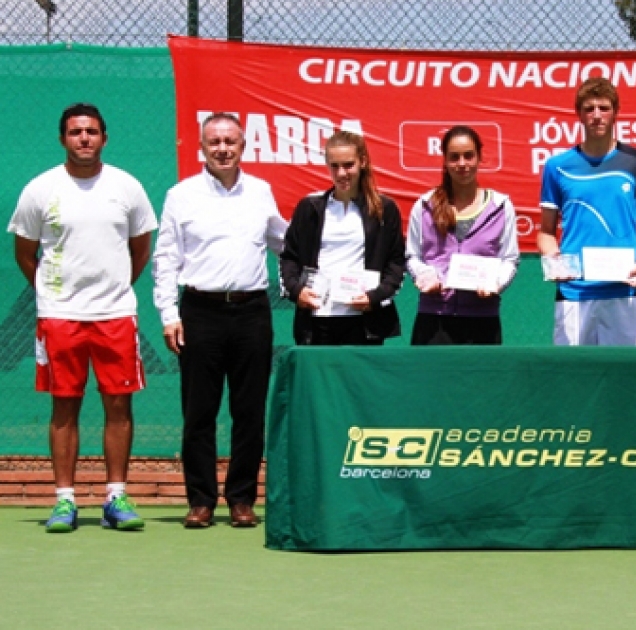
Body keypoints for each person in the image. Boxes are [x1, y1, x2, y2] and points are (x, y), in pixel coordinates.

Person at [8, 103, 157, 533]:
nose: (84, 138)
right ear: (63, 139)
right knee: (64, 407)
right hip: (59, 317)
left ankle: (115, 497)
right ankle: (65, 501)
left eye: (92, 131)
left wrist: (114, 289)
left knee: (118, 405)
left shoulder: (127, 187)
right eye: (76, 132)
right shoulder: (40, 189)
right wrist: (53, 294)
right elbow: (24, 252)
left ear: (104, 138)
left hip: (115, 316)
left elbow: (141, 247)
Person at [152, 112, 287, 528]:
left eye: (230, 141)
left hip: (251, 313)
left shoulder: (261, 192)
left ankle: (242, 500)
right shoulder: (181, 195)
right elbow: (166, 258)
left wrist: (309, 278)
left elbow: (284, 244)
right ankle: (201, 501)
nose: (223, 149)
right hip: (200, 313)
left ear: (243, 146)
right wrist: (169, 314)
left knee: (249, 411)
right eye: (214, 142)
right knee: (199, 412)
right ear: (202, 148)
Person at [537, 76, 636, 346]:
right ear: (578, 114)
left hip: (626, 291)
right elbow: (546, 232)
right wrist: (554, 259)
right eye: (589, 109)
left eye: (604, 108)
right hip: (574, 294)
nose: (596, 116)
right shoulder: (557, 166)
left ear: (616, 113)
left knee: (629, 378)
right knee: (574, 381)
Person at [280, 131, 404, 345]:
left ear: (362, 162)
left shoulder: (384, 209)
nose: (342, 173)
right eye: (334, 166)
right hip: (317, 319)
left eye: (348, 165)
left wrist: (375, 297)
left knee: (360, 380)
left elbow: (396, 263)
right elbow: (289, 257)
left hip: (364, 321)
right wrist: (296, 291)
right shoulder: (309, 208)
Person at [406, 125, 519, 345]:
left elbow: (510, 259)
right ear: (445, 161)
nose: (462, 164)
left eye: (469, 156)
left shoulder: (501, 206)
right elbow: (413, 256)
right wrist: (425, 276)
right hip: (433, 320)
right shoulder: (424, 205)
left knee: (481, 381)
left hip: (483, 320)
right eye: (454, 157)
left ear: (479, 158)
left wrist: (496, 283)